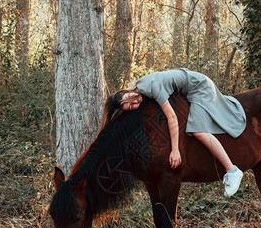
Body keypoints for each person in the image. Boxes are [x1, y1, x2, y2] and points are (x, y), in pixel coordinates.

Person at [102, 68, 246, 196]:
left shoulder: (151, 87)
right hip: (187, 87)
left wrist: (175, 150)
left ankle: (232, 171)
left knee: (198, 131)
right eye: (131, 107)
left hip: (199, 87)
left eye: (130, 100)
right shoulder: (133, 89)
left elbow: (172, 117)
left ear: (123, 93)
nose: (135, 104)